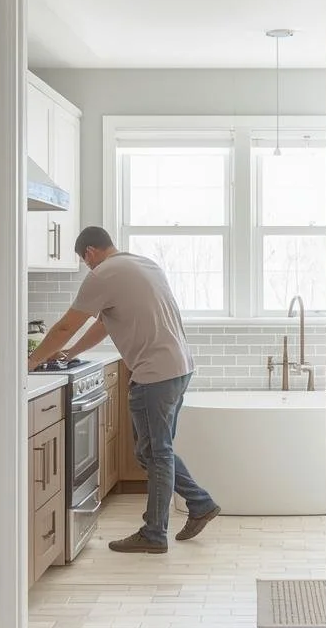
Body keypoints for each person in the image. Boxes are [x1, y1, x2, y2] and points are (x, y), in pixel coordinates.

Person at [26, 226, 220, 554]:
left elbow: (64, 326)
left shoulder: (103, 274)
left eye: (86, 263)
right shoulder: (143, 264)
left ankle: (154, 534)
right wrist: (71, 353)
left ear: (89, 253)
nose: (89, 268)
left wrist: (29, 363)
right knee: (154, 452)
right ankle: (200, 504)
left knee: (156, 454)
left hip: (155, 373)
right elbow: (103, 324)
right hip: (178, 368)